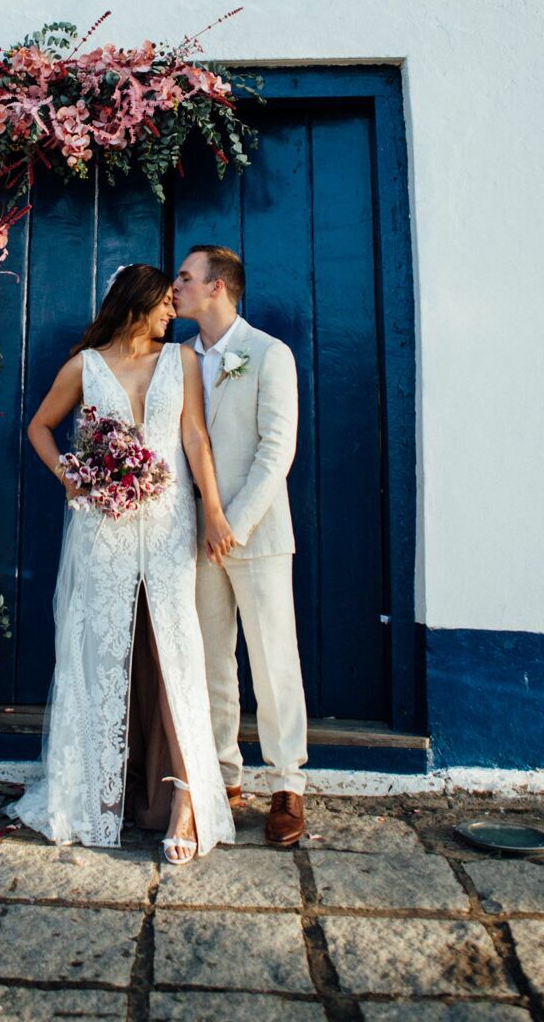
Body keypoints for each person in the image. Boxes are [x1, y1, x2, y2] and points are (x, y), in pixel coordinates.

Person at [6, 264, 236, 864]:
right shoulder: (85, 366)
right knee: (100, 649)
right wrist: (74, 479)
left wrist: (212, 510)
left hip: (165, 526)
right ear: (136, 305)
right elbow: (39, 427)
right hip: (101, 529)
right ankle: (94, 796)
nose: (171, 313)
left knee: (176, 650)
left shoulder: (179, 362)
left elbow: (193, 439)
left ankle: (185, 801)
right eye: (163, 304)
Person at [172, 244, 308, 847]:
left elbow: (277, 451)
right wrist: (203, 522)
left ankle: (287, 784)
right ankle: (223, 777)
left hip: (254, 535)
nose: (175, 286)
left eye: (185, 277)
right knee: (210, 660)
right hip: (196, 538)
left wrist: (233, 523)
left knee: (274, 660)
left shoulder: (268, 354)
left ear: (218, 287)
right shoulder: (176, 360)